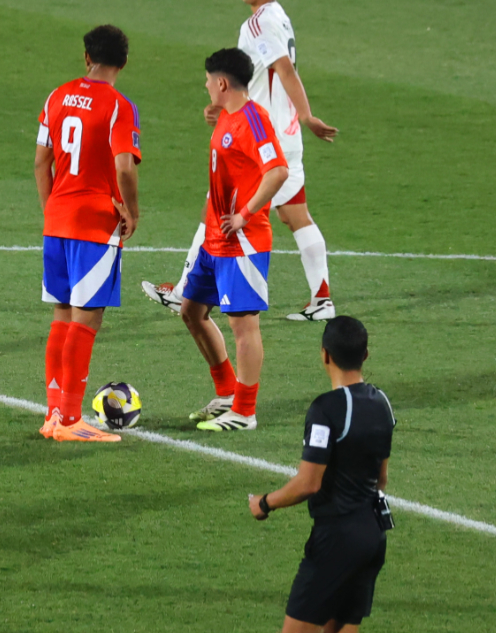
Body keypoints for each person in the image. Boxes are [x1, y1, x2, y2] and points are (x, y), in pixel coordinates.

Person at [142, 0, 338, 322]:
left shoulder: (258, 23)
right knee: (295, 213)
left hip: (258, 140)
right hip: (284, 135)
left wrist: (307, 115)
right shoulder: (279, 15)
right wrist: (226, 108)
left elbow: (283, 69)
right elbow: (261, 77)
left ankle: (182, 292)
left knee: (215, 208)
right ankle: (322, 298)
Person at [248, 316, 395, 632]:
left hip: (337, 540)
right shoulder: (382, 403)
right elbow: (381, 479)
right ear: (365, 355)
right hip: (373, 535)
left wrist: (264, 503)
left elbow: (308, 483)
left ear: (325, 354)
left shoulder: (326, 409)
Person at [34, 24, 142, 443]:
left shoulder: (56, 97)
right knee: (86, 318)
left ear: (87, 57)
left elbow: (41, 162)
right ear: (124, 62)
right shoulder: (119, 106)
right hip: (95, 224)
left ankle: (53, 415)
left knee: (62, 314)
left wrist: (52, 210)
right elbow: (124, 167)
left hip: (57, 220)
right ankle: (70, 419)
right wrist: (131, 210)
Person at [181, 48, 288, 432]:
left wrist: (245, 214)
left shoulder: (255, 120)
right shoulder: (229, 113)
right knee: (191, 312)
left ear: (223, 82)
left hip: (241, 241)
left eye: (209, 80)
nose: (206, 85)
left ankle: (244, 411)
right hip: (215, 240)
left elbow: (277, 171)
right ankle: (227, 393)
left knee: (243, 326)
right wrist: (218, 112)